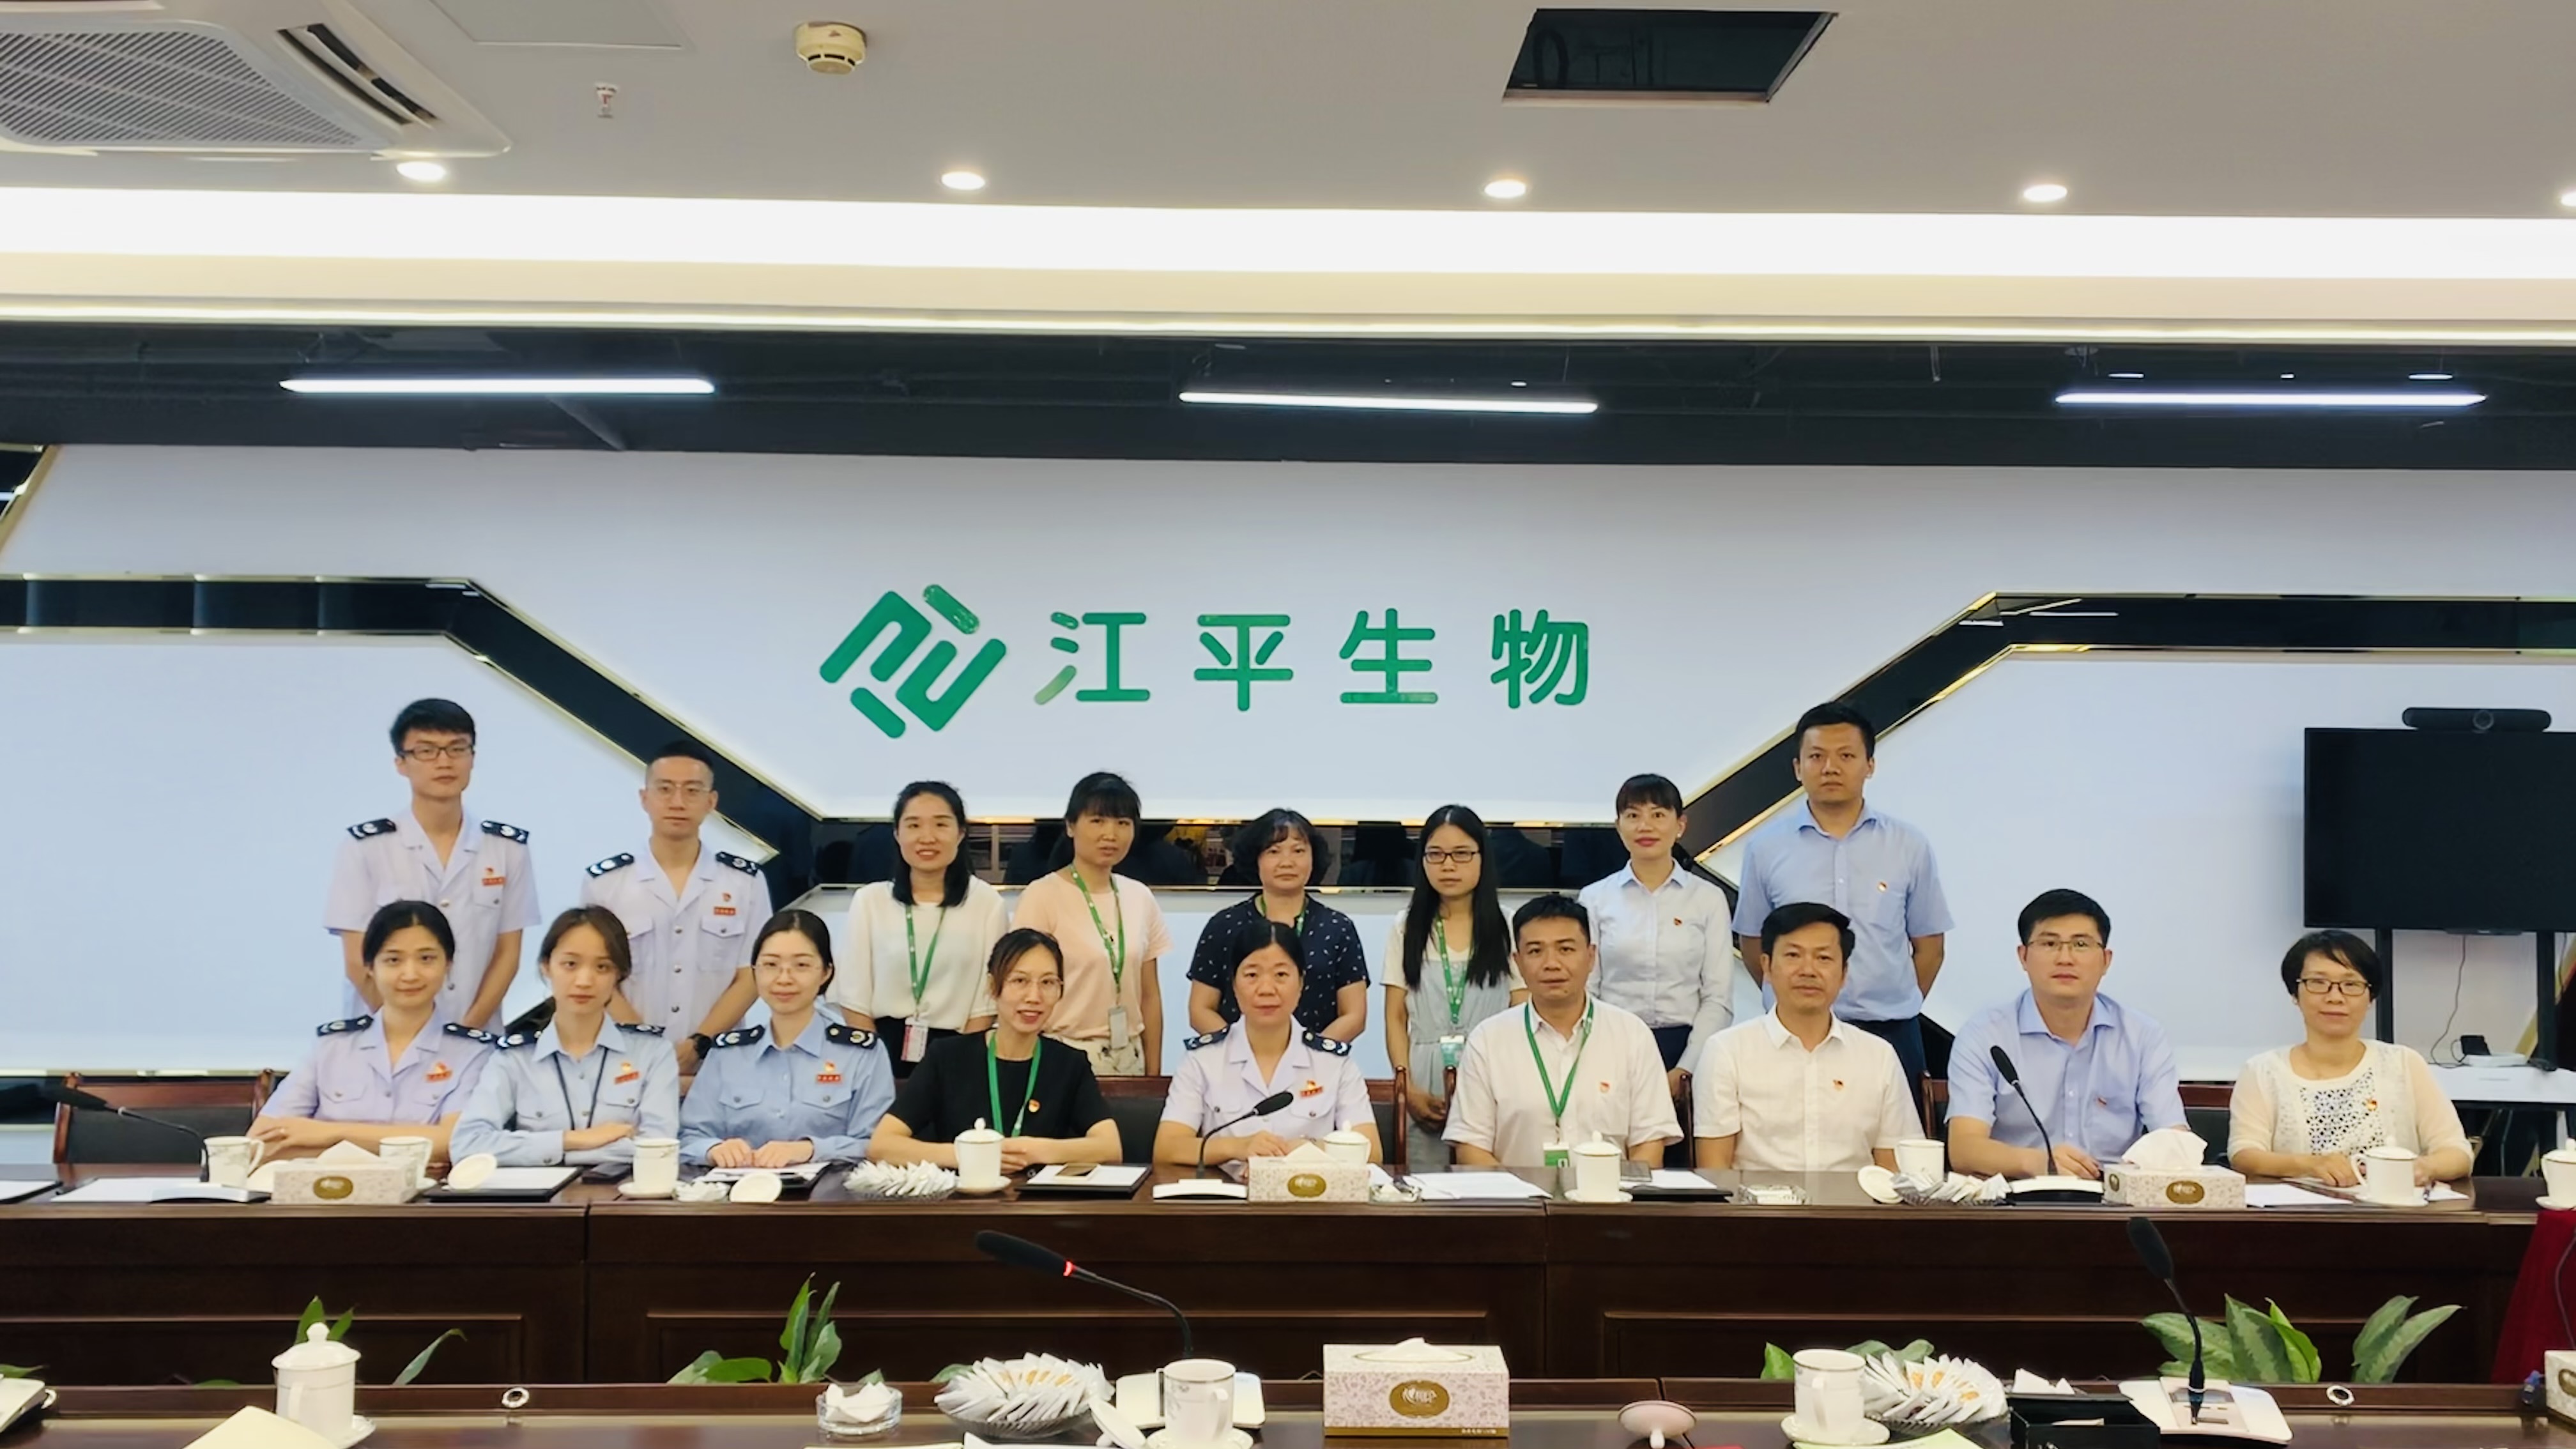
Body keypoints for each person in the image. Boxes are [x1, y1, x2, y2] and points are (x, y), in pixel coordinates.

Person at [1731, 702, 1951, 1104]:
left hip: (1890, 1031)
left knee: (1897, 1141)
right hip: (1796, 1032)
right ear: (1798, 768)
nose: (1830, 768)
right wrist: (1794, 998)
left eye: (1846, 756)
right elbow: (1753, 944)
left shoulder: (1908, 845)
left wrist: (1895, 1002)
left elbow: (1930, 948)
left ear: (1870, 765)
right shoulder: (1765, 848)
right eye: (1817, 757)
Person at [325, 698, 537, 1029]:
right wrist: (415, 1034)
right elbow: (357, 961)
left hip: (475, 1038)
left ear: (473, 758)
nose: (444, 762)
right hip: (383, 1038)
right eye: (426, 751)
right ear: (400, 763)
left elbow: (508, 956)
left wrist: (461, 1037)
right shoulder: (365, 848)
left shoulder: (507, 849)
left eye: (457, 749)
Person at [1946, 889, 2186, 1179]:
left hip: (2114, 1197)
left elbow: (2174, 1141)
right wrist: (2041, 1162)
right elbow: (1964, 1150)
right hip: (2018, 1195)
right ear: (2023, 957)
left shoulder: (2142, 1037)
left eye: (2081, 944)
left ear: (2106, 960)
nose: (2065, 958)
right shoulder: (1985, 1035)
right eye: (2049, 943)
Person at [1445, 895, 1679, 1169]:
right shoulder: (1488, 1040)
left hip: (1611, 1194)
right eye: (1535, 951)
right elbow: (1471, 1148)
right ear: (1517, 962)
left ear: (1591, 957)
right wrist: (1520, 1193)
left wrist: (1611, 1192)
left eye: (1566, 949)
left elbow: (1649, 1145)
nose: (1551, 964)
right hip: (1516, 1195)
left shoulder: (1632, 1035)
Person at [252, 901, 497, 1161]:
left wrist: (330, 1134)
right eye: (393, 960)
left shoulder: (474, 1054)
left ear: (448, 964)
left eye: (426, 959)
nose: (410, 974)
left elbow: (454, 1143)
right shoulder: (331, 1047)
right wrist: (415, 1142)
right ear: (370, 967)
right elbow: (259, 1144)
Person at [581, 740, 770, 1073]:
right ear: (645, 798)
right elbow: (597, 975)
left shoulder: (745, 882)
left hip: (717, 1063)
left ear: (711, 802)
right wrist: (646, 1046)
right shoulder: (606, 883)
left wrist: (701, 1042)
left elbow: (752, 975)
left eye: (692, 791)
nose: (678, 802)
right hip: (625, 1063)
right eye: (665, 789)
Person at [2228, 931, 2471, 1187]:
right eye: (2318, 983)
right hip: (2299, 1210)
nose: (2335, 997)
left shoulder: (2404, 1063)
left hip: (2392, 1208)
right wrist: (2310, 1165)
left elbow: (2457, 1153)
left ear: (2371, 997)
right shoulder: (2262, 1071)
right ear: (2295, 994)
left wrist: (2425, 1168)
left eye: (2351, 985)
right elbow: (2244, 1154)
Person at [869, 929, 1121, 1169]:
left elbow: (1110, 1148)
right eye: (1020, 981)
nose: (1034, 997)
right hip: (964, 1194)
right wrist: (969, 1155)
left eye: (1048, 982)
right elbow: (882, 1146)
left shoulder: (1069, 1064)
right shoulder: (947, 1057)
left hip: (1039, 1197)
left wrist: (1034, 1151)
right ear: (992, 986)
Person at [1692, 903, 1914, 1172]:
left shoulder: (1879, 1056)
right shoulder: (1727, 1051)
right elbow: (1715, 1169)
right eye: (1793, 955)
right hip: (1757, 1200)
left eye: (1824, 958)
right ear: (1767, 966)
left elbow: (1894, 1169)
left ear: (1844, 973)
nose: (1808, 970)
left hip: (1855, 1200)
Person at [452, 906, 680, 1167]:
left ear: (619, 975)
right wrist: (572, 1140)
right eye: (570, 964)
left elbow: (659, 1148)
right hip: (538, 1195)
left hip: (622, 1192)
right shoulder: (514, 1059)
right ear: (546, 967)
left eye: (602, 967)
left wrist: (538, 1152)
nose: (584, 981)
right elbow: (467, 1145)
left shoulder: (653, 1053)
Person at [679, 909, 894, 1167]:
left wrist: (811, 1150)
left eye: (801, 966)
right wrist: (714, 1149)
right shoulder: (727, 1054)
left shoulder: (861, 1053)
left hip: (833, 1189)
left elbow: (876, 1144)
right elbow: (690, 1137)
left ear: (826, 972)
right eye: (771, 965)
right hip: (741, 1189)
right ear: (755, 972)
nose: (784, 979)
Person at [1156, 920, 1381, 1166]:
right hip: (1227, 1189)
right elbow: (1168, 1148)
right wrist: (1237, 1147)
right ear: (1234, 985)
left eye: (1281, 975)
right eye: (1252, 975)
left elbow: (1371, 1152)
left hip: (1308, 1188)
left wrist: (1306, 1150)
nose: (1266, 989)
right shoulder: (1202, 1060)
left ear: (1301, 983)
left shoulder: (1334, 1064)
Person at [1383, 805, 1525, 1167]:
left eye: (1461, 854)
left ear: (1482, 858)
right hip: (1424, 1075)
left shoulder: (1508, 925)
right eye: (1436, 854)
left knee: (1488, 1180)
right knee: (1426, 1181)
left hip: (1492, 1070)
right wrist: (1407, 1087)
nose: (1448, 865)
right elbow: (1395, 1016)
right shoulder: (1406, 926)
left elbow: (1521, 1010)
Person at [832, 781, 1005, 1078]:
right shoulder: (870, 901)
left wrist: (961, 1063)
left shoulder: (986, 903)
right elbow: (853, 994)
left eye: (941, 824)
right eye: (914, 825)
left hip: (960, 1052)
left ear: (961, 833)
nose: (927, 837)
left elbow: (987, 1000)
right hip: (879, 1050)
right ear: (897, 834)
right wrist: (875, 1065)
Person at [1579, 773, 1735, 1098]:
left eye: (1658, 815)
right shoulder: (1595, 899)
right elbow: (1587, 990)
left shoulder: (1707, 899)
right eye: (1633, 815)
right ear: (1619, 826)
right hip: (1612, 1045)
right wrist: (1601, 1053)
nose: (1645, 826)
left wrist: (1686, 1069)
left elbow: (1717, 997)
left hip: (1687, 1048)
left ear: (1680, 825)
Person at [1011, 772, 1170, 1075]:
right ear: (1071, 826)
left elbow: (1150, 995)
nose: (1111, 834)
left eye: (1123, 823)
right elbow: (1021, 991)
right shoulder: (1042, 895)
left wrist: (1154, 1075)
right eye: (1097, 821)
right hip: (1061, 1055)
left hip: (1129, 1057)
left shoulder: (1139, 896)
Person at [1186, 809, 1368, 1042]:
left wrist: (1310, 1055)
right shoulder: (1224, 925)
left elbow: (1354, 1014)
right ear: (1256, 858)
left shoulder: (1338, 928)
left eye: (1298, 851)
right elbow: (1200, 1009)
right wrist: (1242, 1052)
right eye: (1274, 851)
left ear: (1313, 858)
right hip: (1235, 1060)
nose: (1287, 862)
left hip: (1318, 1060)